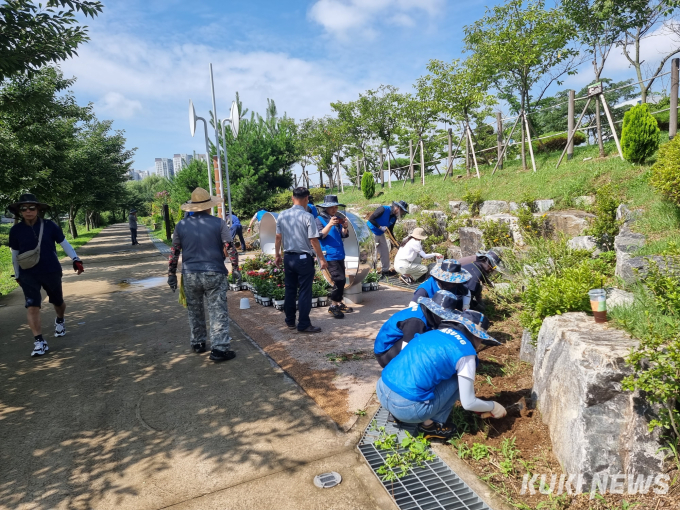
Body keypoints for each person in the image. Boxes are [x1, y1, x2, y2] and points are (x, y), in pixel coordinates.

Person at [376, 303, 507, 440]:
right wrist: (493, 406)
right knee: (457, 378)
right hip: (407, 409)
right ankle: (432, 426)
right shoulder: (466, 352)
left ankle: (399, 415)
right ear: (478, 336)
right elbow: (468, 403)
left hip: (382, 389)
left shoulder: (434, 332)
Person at [167, 187, 241, 362]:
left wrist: (171, 274)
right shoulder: (219, 223)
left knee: (195, 310)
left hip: (190, 274)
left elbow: (174, 251)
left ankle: (198, 342)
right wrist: (236, 268)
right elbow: (230, 248)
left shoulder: (181, 225)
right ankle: (220, 349)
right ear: (209, 206)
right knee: (217, 311)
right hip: (214, 272)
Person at [8, 194, 85, 357]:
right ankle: (39, 341)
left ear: (38, 209)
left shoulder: (50, 226)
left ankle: (60, 319)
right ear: (19, 211)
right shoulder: (15, 230)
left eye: (31, 208)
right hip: (28, 272)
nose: (28, 211)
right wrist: (17, 274)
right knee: (32, 305)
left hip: (51, 270)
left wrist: (76, 259)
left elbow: (64, 243)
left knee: (58, 302)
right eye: (24, 208)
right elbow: (15, 254)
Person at [275, 187, 328, 333]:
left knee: (290, 290)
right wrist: (321, 259)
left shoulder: (282, 215)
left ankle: (290, 321)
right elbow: (313, 240)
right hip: (303, 259)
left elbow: (278, 237)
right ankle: (304, 324)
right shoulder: (307, 216)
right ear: (307, 199)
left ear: (292, 198)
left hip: (288, 257)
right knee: (305, 291)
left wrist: (277, 255)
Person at [374, 290, 465, 368]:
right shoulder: (416, 322)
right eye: (442, 317)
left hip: (396, 344)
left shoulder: (425, 312)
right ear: (433, 311)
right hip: (386, 354)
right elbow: (407, 352)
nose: (444, 319)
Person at [315, 195, 352, 319]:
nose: (335, 209)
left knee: (341, 280)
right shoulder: (319, 219)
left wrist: (345, 227)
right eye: (332, 207)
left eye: (336, 207)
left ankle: (339, 303)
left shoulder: (337, 218)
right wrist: (330, 224)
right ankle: (333, 305)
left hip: (339, 253)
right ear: (326, 207)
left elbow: (343, 235)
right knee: (339, 279)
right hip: (329, 255)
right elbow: (320, 236)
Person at [366, 201, 408, 279]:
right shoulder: (383, 209)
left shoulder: (394, 217)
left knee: (385, 251)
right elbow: (371, 219)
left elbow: (390, 231)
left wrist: (396, 244)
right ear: (398, 208)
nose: (402, 213)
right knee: (373, 253)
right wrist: (380, 227)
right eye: (402, 211)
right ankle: (371, 272)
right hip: (371, 232)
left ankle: (385, 271)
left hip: (380, 233)